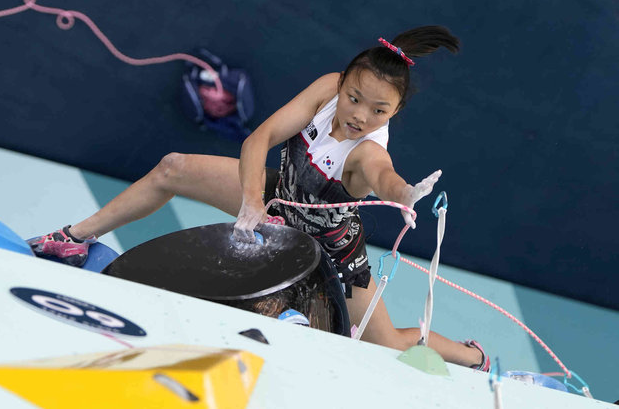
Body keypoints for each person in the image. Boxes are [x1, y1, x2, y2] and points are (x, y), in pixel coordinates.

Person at [28, 25, 490, 371]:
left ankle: (470, 356)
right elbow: (259, 138)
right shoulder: (327, 89)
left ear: (395, 113)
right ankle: (72, 237)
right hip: (277, 200)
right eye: (354, 98)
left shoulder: (367, 151)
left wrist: (405, 193)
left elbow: (384, 177)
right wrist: (252, 201)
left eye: (379, 111)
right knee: (173, 167)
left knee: (386, 343)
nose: (359, 115)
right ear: (344, 81)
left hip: (327, 247)